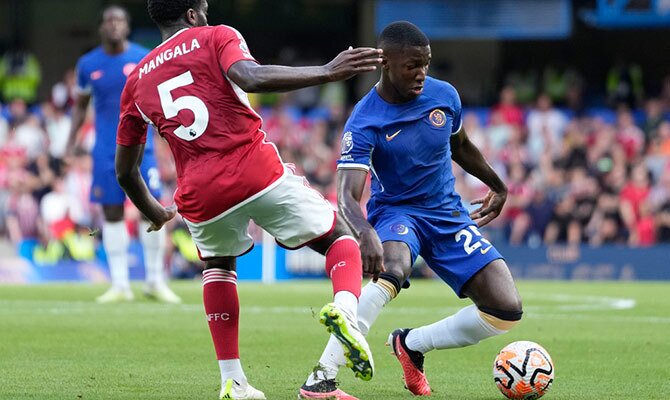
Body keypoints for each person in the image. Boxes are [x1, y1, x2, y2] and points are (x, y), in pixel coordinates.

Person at [115, 1, 384, 398]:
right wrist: (328, 71)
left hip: (199, 193)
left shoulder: (136, 80)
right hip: (252, 169)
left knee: (218, 266)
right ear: (192, 14)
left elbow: (125, 170)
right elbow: (251, 77)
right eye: (203, 7)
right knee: (339, 235)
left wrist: (154, 210)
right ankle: (345, 308)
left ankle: (233, 381)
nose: (206, 13)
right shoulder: (216, 35)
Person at [299, 21, 523, 399]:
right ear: (385, 63)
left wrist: (498, 185)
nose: (421, 74)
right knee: (393, 270)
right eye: (412, 66)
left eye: (426, 64)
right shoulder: (365, 118)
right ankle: (322, 377)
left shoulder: (444, 96)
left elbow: (461, 146)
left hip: (447, 214)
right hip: (397, 213)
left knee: (505, 310)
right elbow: (347, 196)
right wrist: (366, 232)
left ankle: (412, 344)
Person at [67, 5, 181, 304]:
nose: (114, 25)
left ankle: (155, 280)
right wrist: (70, 143)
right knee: (111, 212)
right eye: (109, 21)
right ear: (102, 27)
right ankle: (120, 284)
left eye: (119, 20)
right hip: (105, 148)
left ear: (127, 27)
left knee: (151, 208)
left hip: (142, 147)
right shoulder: (87, 64)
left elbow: (160, 100)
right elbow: (80, 107)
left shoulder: (143, 58)